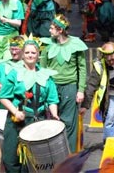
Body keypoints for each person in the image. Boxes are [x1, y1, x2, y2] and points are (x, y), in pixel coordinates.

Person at [0, 36, 59, 172]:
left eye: (33, 53)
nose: (30, 55)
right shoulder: (14, 74)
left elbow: (52, 99)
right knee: (11, 158)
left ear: (38, 55)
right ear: (22, 54)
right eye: (27, 52)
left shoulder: (45, 75)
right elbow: (3, 96)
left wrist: (54, 115)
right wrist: (15, 112)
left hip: (37, 121)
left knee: (34, 161)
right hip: (17, 121)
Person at [40, 14, 87, 153]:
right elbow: (42, 68)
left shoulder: (75, 44)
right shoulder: (48, 45)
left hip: (69, 86)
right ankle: (55, 154)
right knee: (52, 120)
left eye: (52, 28)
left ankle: (69, 156)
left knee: (69, 123)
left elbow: (82, 68)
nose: (49, 30)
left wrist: (80, 90)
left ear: (60, 30)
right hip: (52, 86)